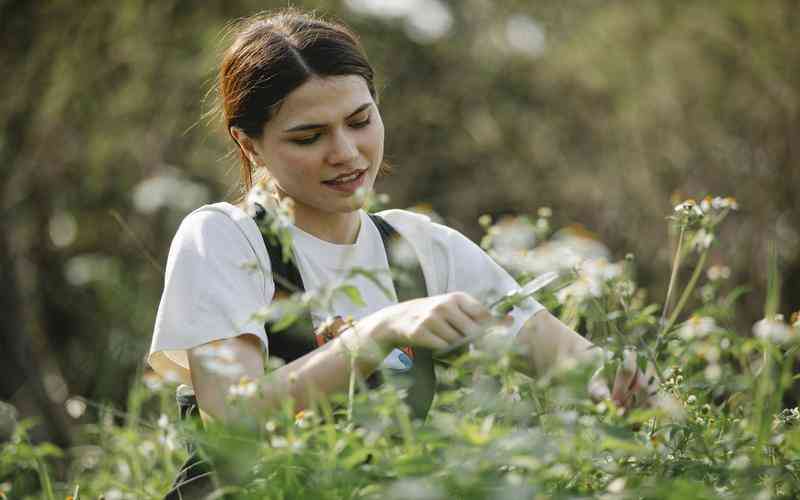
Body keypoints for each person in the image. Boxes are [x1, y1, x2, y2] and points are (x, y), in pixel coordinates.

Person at [147, 8, 656, 497]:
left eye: (360, 120)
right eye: (309, 137)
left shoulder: (421, 249)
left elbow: (571, 363)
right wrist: (380, 331)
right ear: (250, 144)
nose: (345, 152)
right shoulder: (223, 240)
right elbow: (233, 423)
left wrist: (620, 387)